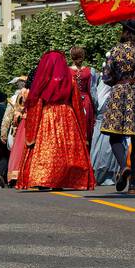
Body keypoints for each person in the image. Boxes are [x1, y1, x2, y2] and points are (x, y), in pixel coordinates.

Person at [21, 51, 95, 191]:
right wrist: (82, 129)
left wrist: (32, 129)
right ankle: (62, 178)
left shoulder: (43, 82)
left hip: (47, 115)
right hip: (68, 116)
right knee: (66, 150)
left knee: (47, 148)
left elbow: (36, 105)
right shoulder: (70, 80)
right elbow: (77, 105)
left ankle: (44, 178)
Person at [99, 20, 135, 194]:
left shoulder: (116, 51)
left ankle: (124, 165)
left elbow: (107, 77)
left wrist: (119, 80)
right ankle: (132, 186)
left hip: (120, 93)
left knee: (114, 135)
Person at [4, 80, 29, 188]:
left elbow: (9, 116)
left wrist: (4, 132)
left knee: (18, 150)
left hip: (21, 124)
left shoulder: (17, 96)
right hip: (32, 121)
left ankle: (15, 174)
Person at [68, 46, 96, 139]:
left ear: (71, 57)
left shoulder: (67, 71)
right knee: (87, 127)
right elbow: (92, 90)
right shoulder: (90, 71)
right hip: (86, 101)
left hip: (72, 102)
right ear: (83, 56)